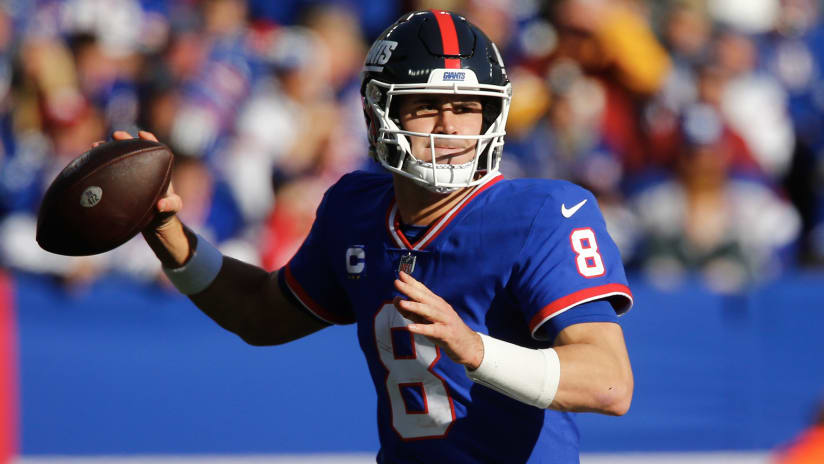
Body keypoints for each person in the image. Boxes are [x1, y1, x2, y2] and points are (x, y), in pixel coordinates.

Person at [121, 10, 634, 463]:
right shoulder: (355, 208)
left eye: (467, 106)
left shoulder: (543, 214)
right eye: (425, 105)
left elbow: (610, 382)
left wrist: (475, 349)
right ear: (376, 115)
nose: (449, 126)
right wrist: (168, 233)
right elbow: (259, 312)